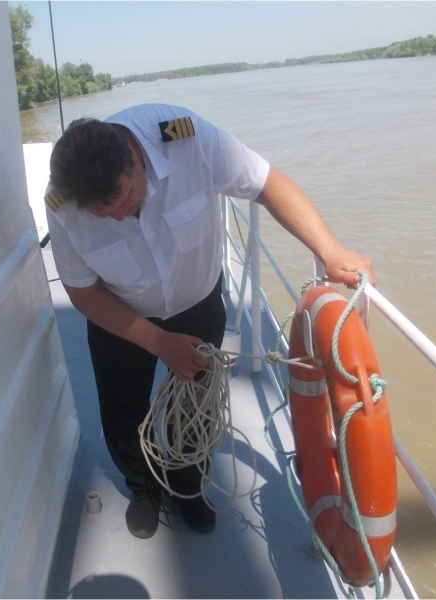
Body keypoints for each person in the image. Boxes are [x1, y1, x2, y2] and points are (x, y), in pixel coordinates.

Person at [45, 103, 375, 539]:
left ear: (136, 156)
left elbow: (266, 183)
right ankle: (144, 488)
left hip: (197, 301)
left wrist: (330, 250)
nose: (121, 216)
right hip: (120, 314)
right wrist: (159, 343)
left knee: (194, 406)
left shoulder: (188, 140)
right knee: (123, 410)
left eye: (126, 199)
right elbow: (83, 292)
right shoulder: (62, 204)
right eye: (106, 215)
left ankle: (186, 488)